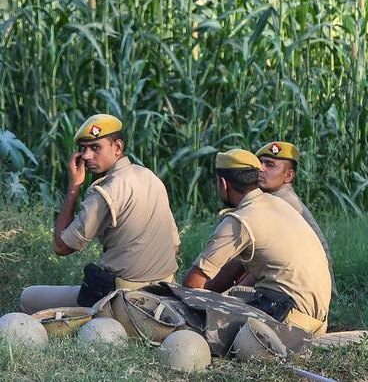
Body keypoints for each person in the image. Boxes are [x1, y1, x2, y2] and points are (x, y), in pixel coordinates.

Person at [20, 114, 180, 313]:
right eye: (84, 148)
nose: (86, 156)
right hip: (164, 294)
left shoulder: (106, 192)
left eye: (96, 147)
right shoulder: (150, 177)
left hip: (123, 300)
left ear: (118, 148)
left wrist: (74, 187)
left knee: (28, 296)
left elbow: (61, 246)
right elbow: (175, 245)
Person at [182, 149, 331, 334]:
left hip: (288, 323)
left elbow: (191, 285)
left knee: (181, 309)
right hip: (316, 322)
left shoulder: (240, 220)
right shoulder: (278, 204)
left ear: (223, 183)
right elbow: (236, 267)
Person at [256, 141, 339, 298]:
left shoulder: (280, 203)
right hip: (312, 291)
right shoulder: (278, 197)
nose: (261, 169)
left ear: (288, 176)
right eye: (260, 163)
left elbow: (260, 260)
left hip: (303, 292)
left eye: (270, 165)